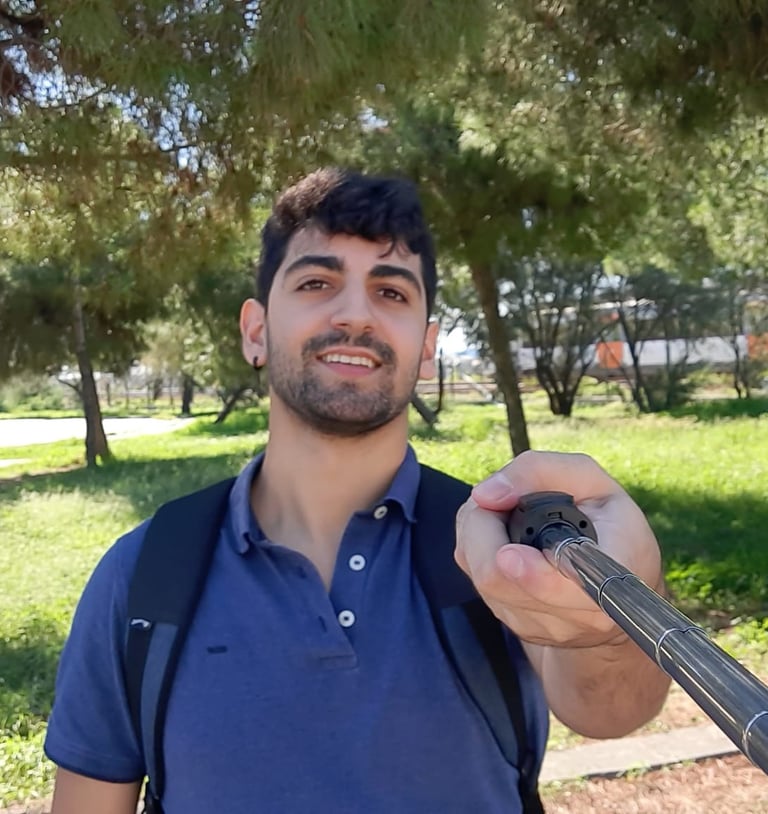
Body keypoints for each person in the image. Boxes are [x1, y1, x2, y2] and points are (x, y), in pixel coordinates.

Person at [44, 168, 670, 813]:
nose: (354, 314)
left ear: (427, 347)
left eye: (391, 292)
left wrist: (616, 615)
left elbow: (609, 713)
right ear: (256, 331)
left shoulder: (500, 544)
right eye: (316, 283)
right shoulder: (143, 574)